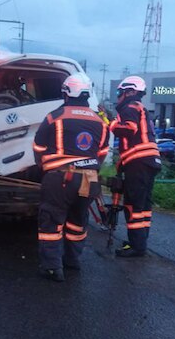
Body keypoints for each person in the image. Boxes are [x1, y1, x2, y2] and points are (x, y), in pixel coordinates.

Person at [31, 73, 106, 282]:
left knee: (52, 220)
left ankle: (52, 268)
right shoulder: (100, 121)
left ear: (67, 93)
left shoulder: (54, 116)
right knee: (78, 221)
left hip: (60, 178)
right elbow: (102, 152)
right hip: (90, 178)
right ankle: (72, 261)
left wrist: (44, 167)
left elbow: (38, 147)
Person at [109, 75, 162, 258]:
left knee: (133, 204)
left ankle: (136, 246)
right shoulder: (141, 108)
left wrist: (111, 123)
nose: (118, 96)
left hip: (138, 162)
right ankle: (140, 242)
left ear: (130, 91)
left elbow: (127, 129)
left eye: (119, 92)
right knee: (144, 205)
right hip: (149, 161)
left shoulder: (129, 107)